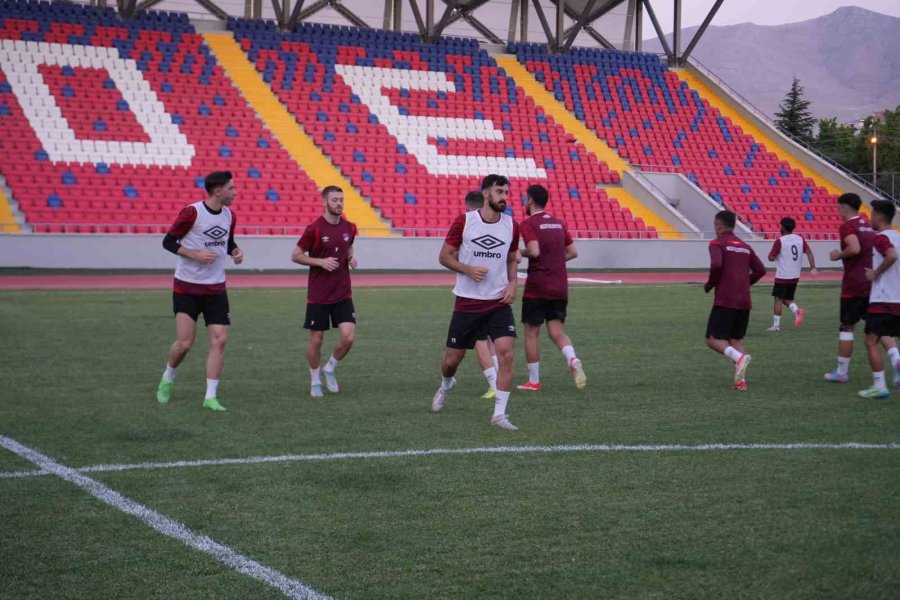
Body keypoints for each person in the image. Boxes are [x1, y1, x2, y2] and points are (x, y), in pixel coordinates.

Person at [432, 174, 520, 431]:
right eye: (499, 192)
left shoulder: (512, 225)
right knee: (451, 361)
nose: (504, 197)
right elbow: (444, 256)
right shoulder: (465, 221)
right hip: (468, 303)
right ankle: (447, 384)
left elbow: (512, 258)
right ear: (485, 193)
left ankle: (499, 415)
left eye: (506, 193)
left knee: (506, 354)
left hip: (498, 303)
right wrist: (467, 269)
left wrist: (513, 284)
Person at [156, 171, 243, 411]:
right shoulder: (192, 213)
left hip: (216, 288)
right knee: (185, 343)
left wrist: (235, 251)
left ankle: (210, 397)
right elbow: (168, 242)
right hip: (187, 287)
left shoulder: (230, 215)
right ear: (218, 191)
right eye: (231, 188)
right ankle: (168, 377)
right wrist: (195, 255)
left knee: (220, 340)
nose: (235, 193)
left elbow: (228, 242)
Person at [515, 184, 585, 391]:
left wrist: (518, 251)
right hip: (559, 286)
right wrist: (554, 260)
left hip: (537, 287)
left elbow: (534, 251)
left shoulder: (528, 223)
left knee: (531, 333)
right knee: (557, 332)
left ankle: (534, 381)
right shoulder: (558, 223)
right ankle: (571, 358)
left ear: (530, 200)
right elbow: (572, 252)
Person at [291, 186, 358, 397]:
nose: (339, 203)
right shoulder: (314, 229)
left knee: (348, 337)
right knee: (316, 340)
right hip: (319, 294)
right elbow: (296, 255)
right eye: (334, 200)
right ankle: (314, 381)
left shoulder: (350, 227)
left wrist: (351, 257)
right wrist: (320, 261)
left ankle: (329, 368)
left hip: (343, 292)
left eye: (341, 199)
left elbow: (348, 245)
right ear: (324, 202)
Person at [704, 210, 766, 391]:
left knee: (712, 339)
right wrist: (745, 284)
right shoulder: (745, 246)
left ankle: (739, 358)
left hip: (726, 299)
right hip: (744, 299)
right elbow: (760, 270)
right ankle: (741, 381)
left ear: (718, 225)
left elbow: (716, 265)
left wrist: (710, 284)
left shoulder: (717, 243)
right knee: (735, 339)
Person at [824, 193, 876, 383]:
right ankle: (895, 359)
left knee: (847, 327)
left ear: (845, 207)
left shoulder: (848, 226)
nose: (838, 211)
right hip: (871, 283)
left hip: (854, 285)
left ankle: (842, 372)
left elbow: (854, 248)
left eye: (839, 207)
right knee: (878, 328)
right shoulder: (868, 225)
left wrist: (837, 255)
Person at [858, 200, 900, 398]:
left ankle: (879, 386)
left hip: (883, 300)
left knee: (871, 341)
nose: (870, 218)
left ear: (879, 217)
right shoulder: (898, 236)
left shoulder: (881, 238)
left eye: (872, 214)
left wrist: (875, 273)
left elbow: (891, 255)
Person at [465, 190, 500, 400]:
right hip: (496, 293)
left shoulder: (469, 226)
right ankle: (500, 381)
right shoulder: (500, 225)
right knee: (490, 339)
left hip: (476, 295)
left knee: (478, 340)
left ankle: (494, 385)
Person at [766, 217, 817, 332]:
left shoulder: (780, 241)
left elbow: (770, 257)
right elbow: (809, 252)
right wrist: (813, 267)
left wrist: (775, 256)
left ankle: (776, 326)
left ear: (783, 227)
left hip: (783, 275)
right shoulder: (800, 239)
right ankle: (796, 311)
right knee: (786, 298)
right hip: (795, 275)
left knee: (778, 299)